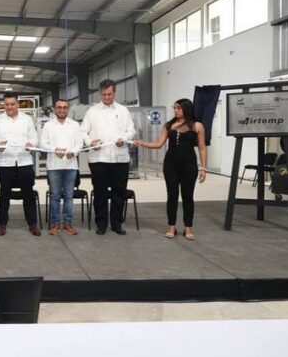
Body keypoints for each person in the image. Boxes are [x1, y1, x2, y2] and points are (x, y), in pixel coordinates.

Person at [134, 98, 207, 240]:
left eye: (178, 108)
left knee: (188, 196)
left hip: (189, 165)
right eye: (174, 108)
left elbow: (202, 148)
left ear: (186, 109)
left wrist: (203, 168)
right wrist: (142, 143)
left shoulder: (197, 126)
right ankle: (171, 226)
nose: (175, 110)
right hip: (170, 164)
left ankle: (188, 227)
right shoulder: (169, 125)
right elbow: (158, 144)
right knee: (172, 195)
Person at [80, 79, 136, 236]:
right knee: (100, 193)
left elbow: (131, 131)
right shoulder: (92, 112)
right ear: (100, 93)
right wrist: (91, 141)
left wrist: (123, 139)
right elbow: (83, 131)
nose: (106, 97)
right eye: (104, 94)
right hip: (99, 159)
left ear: (115, 93)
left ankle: (117, 223)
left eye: (109, 94)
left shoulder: (123, 110)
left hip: (120, 159)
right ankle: (101, 223)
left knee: (119, 192)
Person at [0, 93, 41, 236]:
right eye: (7, 104)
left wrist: (32, 143)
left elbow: (35, 137)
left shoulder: (27, 120)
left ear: (17, 104)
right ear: (3, 105)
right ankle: (2, 224)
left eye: (12, 104)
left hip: (24, 161)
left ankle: (32, 224)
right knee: (4, 195)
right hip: (5, 163)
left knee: (28, 194)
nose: (9, 107)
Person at [40, 99, 82, 236]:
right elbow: (42, 144)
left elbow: (79, 143)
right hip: (54, 166)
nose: (62, 110)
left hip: (71, 166)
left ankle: (68, 224)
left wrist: (73, 153)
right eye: (59, 107)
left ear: (68, 109)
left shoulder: (75, 125)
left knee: (69, 197)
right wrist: (54, 149)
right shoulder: (48, 126)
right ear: (54, 109)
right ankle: (55, 224)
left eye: (64, 107)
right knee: (55, 196)